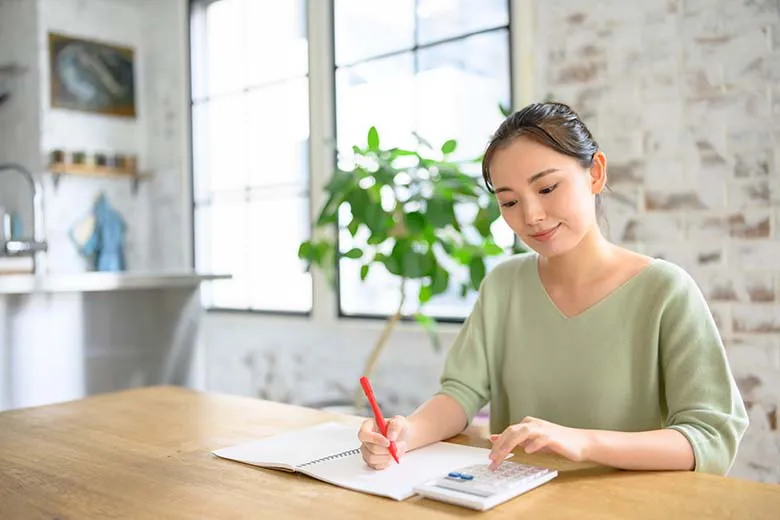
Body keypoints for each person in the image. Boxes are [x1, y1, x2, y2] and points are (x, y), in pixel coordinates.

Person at [357, 101, 749, 476]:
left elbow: (710, 436)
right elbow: (459, 393)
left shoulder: (665, 291)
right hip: (513, 501)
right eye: (509, 202)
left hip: (626, 505)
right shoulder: (503, 286)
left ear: (595, 173)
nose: (531, 216)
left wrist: (582, 442)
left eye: (546, 189)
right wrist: (407, 434)